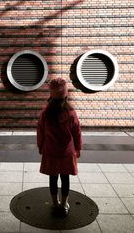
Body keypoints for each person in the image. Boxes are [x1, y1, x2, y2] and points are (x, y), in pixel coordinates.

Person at [37, 77, 82, 216]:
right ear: (66, 95)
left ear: (51, 94)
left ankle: (55, 203)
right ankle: (64, 205)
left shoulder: (45, 113)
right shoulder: (71, 113)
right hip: (67, 153)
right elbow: (77, 133)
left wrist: (40, 146)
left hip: (50, 151)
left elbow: (40, 132)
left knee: (53, 178)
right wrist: (78, 148)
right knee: (65, 178)